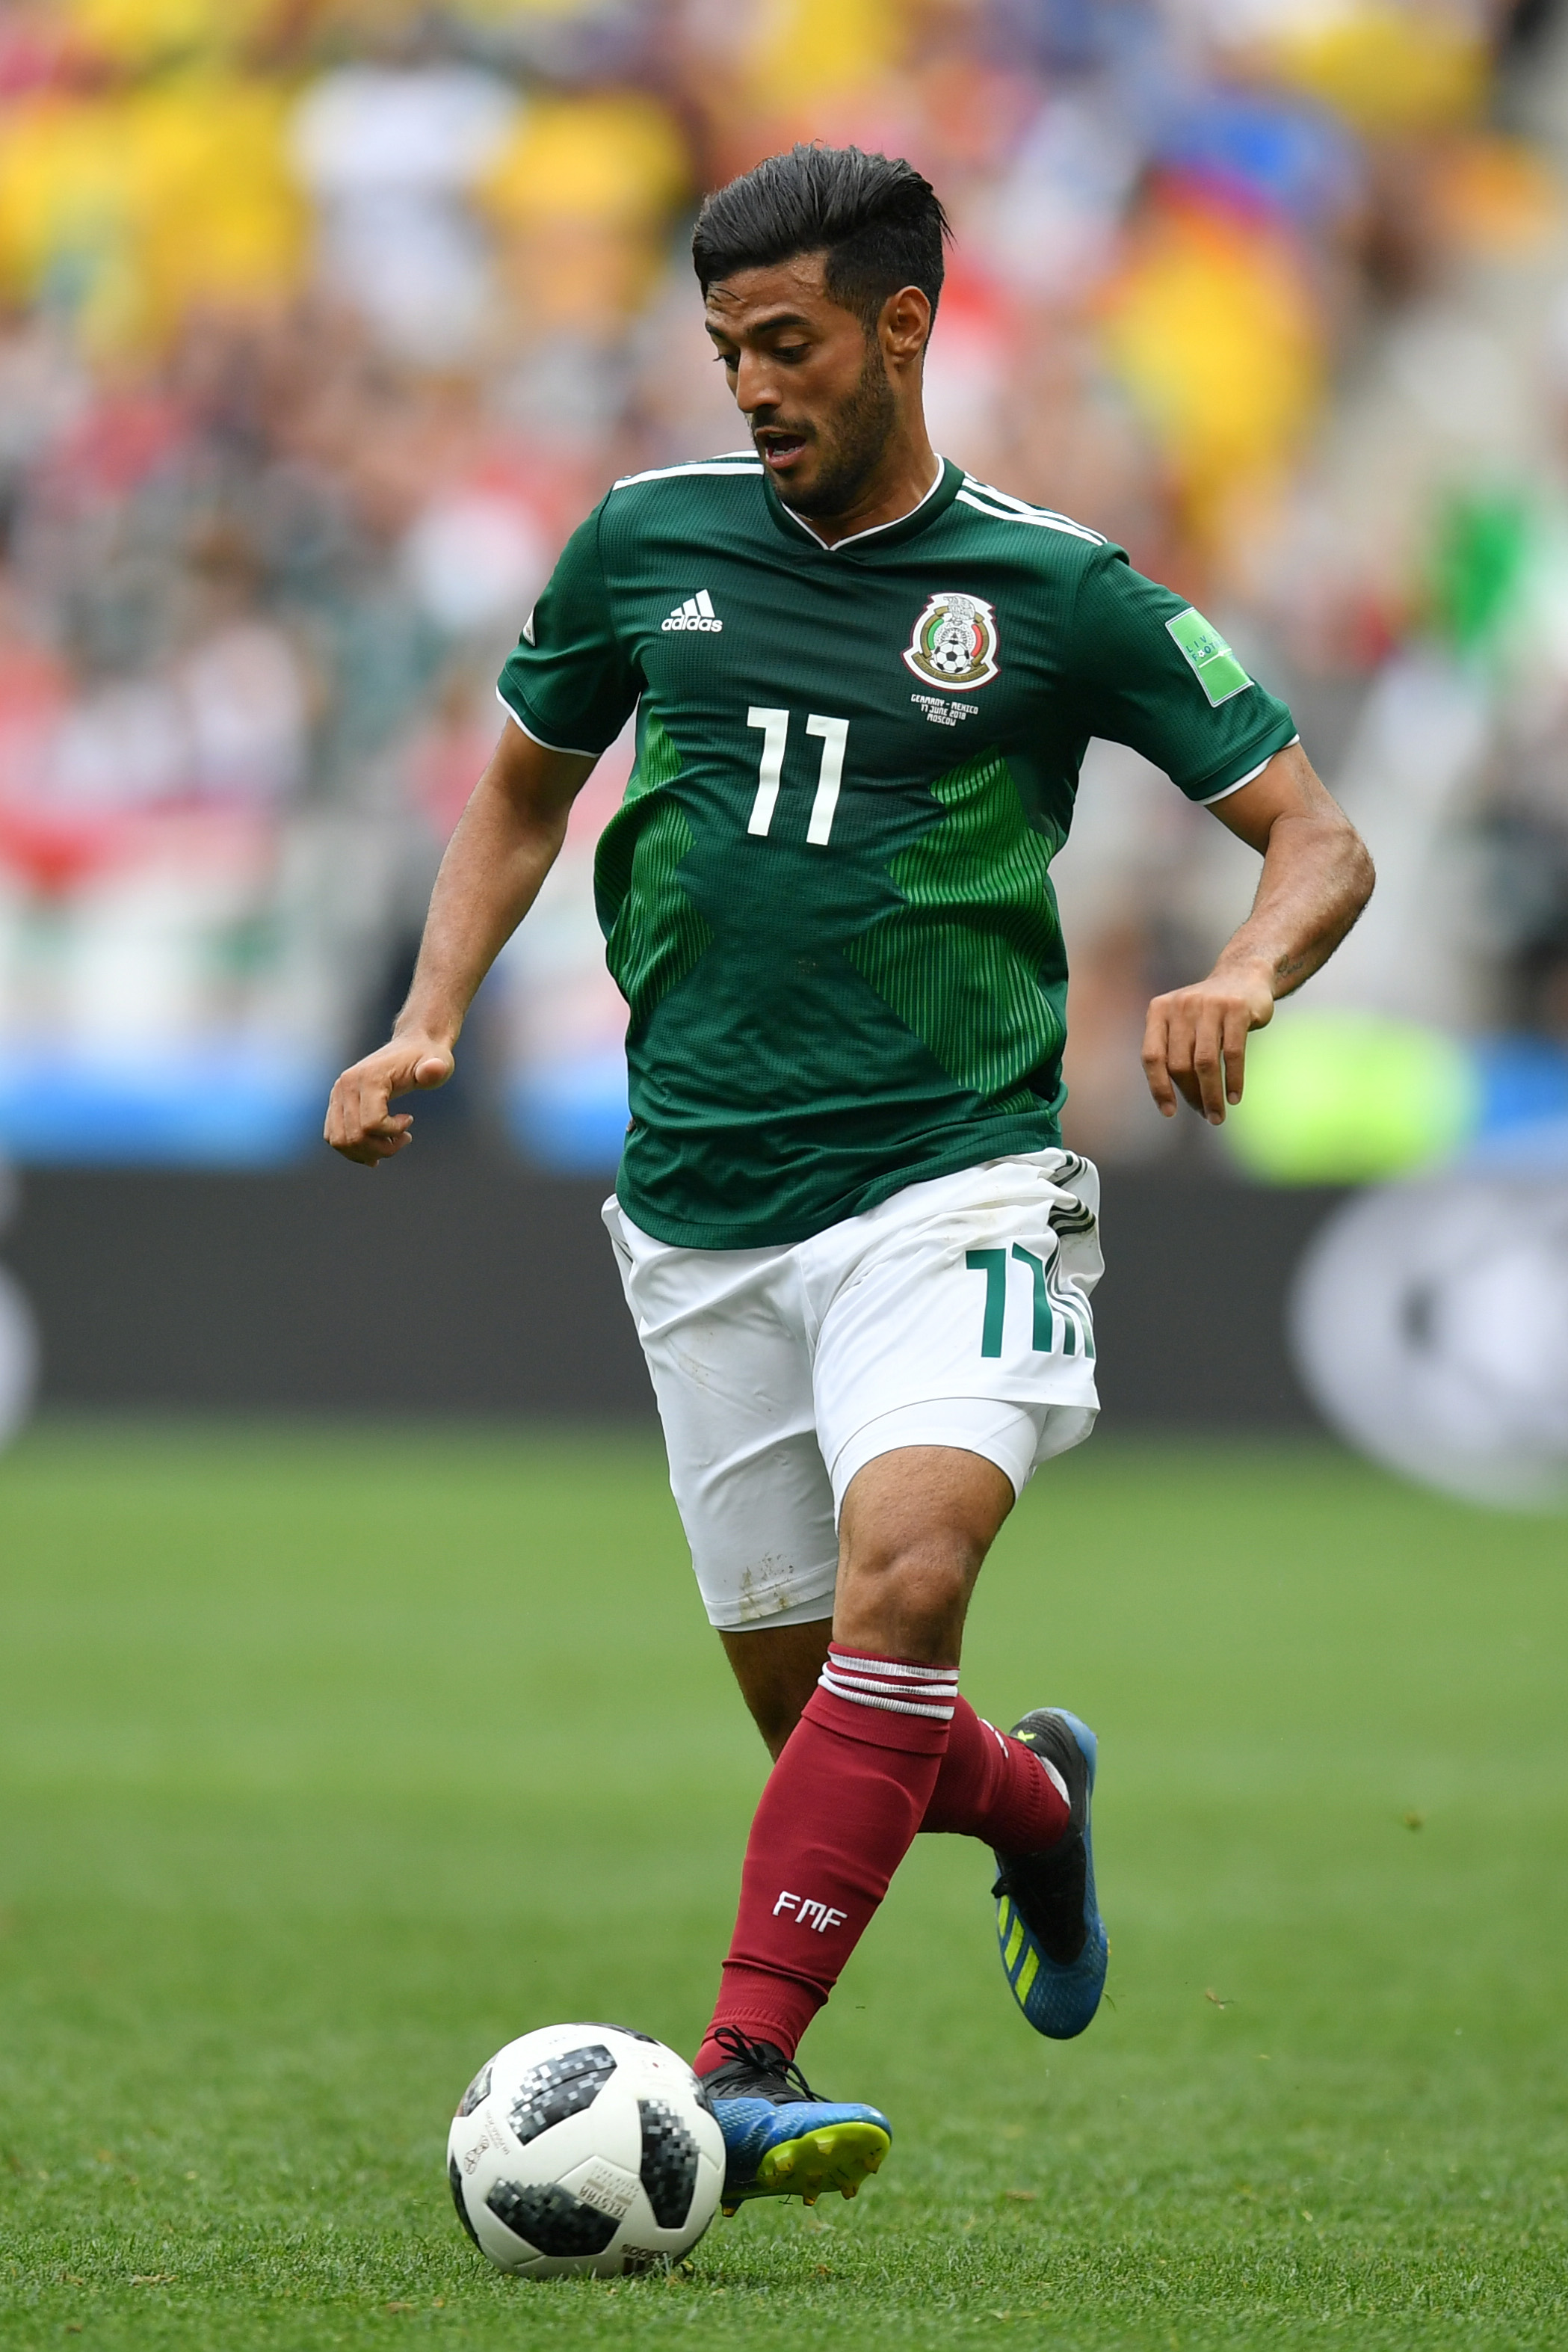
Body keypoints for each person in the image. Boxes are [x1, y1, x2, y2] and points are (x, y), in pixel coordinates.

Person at [326, 146, 1374, 2221]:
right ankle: (1033, 1807)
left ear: (904, 325)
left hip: (955, 1177)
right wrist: (431, 1009)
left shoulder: (1056, 589)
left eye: (785, 342)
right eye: (724, 348)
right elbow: (522, 788)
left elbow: (1317, 836)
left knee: (909, 1584)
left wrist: (1239, 972)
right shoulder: (643, 543)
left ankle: (738, 2065)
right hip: (698, 1202)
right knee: (834, 1713)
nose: (750, 385)